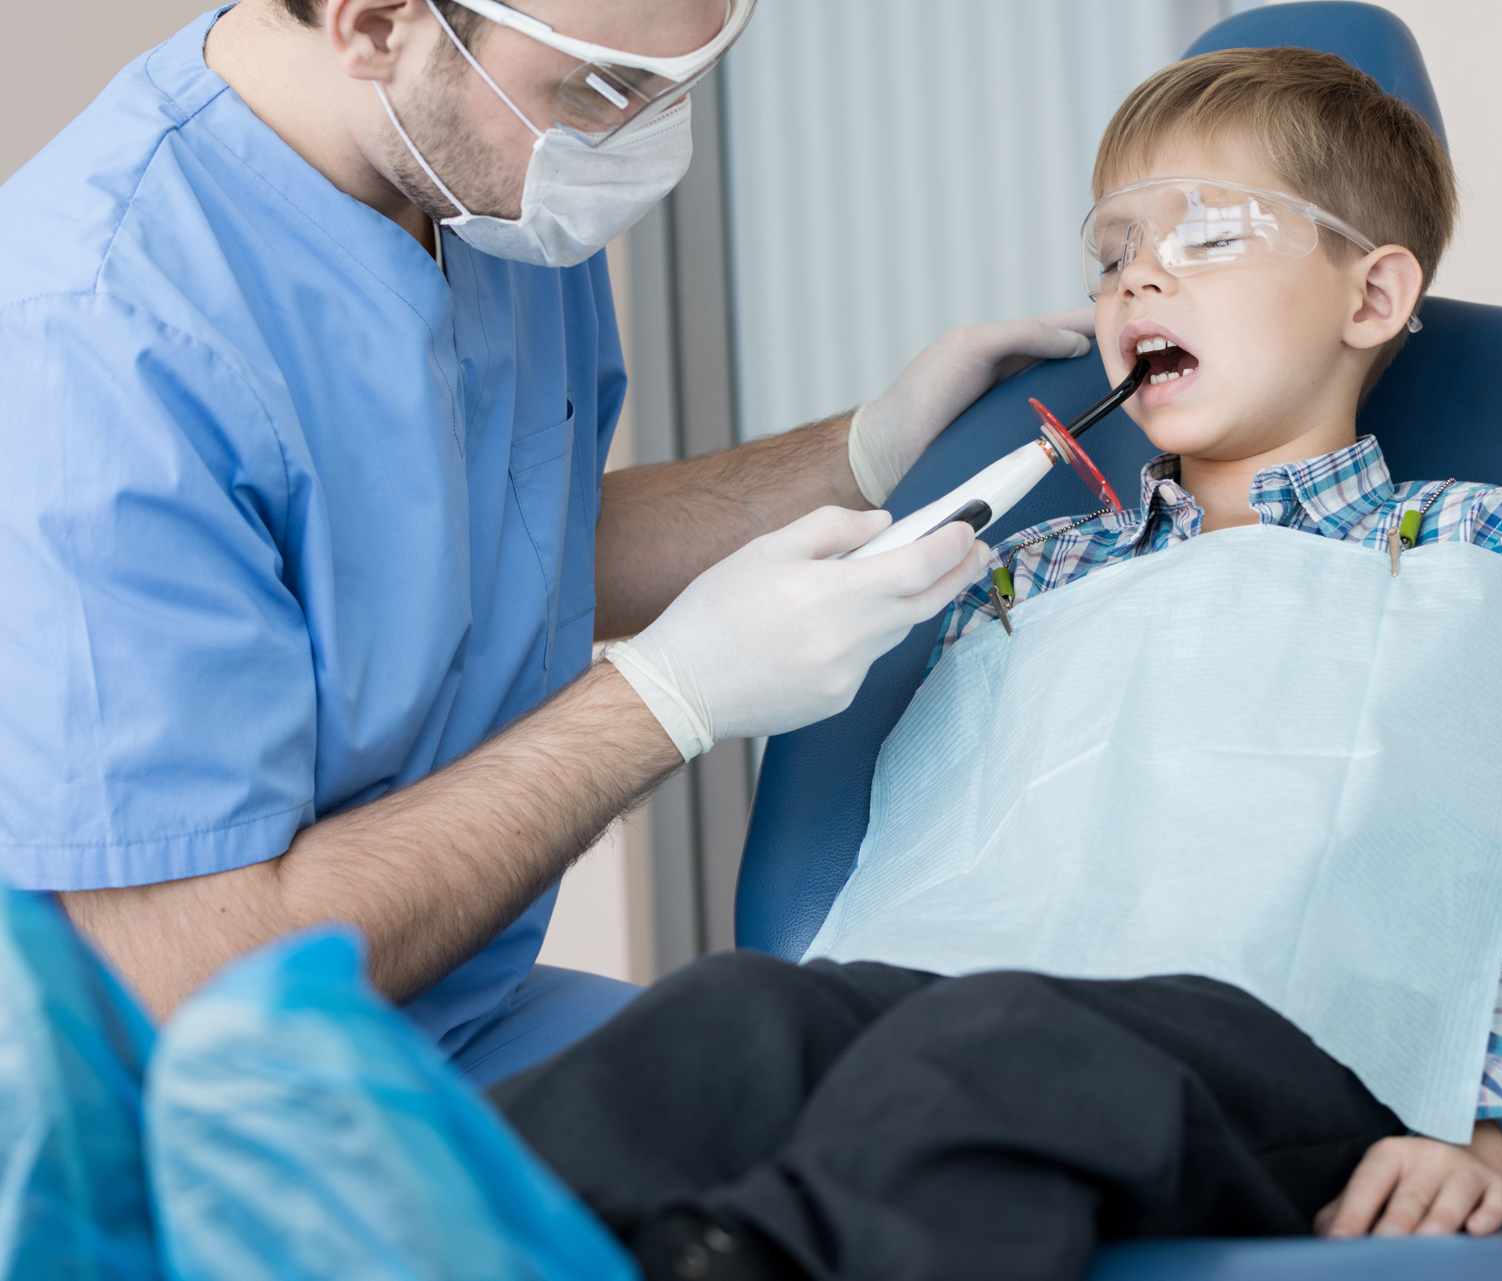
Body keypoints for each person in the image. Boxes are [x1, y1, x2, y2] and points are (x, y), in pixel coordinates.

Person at [479, 46, 1502, 1280]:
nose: (1136, 275)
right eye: (1109, 256)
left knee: (997, 1032)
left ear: (1368, 299)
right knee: (737, 1013)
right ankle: (408, 1228)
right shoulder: (1029, 576)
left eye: (1202, 239)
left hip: (1311, 1054)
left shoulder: (1483, 546)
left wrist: (1488, 1128)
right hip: (985, 1013)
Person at [0, 0, 1089, 1078]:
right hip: (206, 1113)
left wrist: (862, 452)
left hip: (460, 1016)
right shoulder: (94, 344)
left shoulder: (468, 179)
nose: (644, 140)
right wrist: (665, 702)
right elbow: (189, 972)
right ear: (375, 25)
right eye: (605, 88)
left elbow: (494, 555)